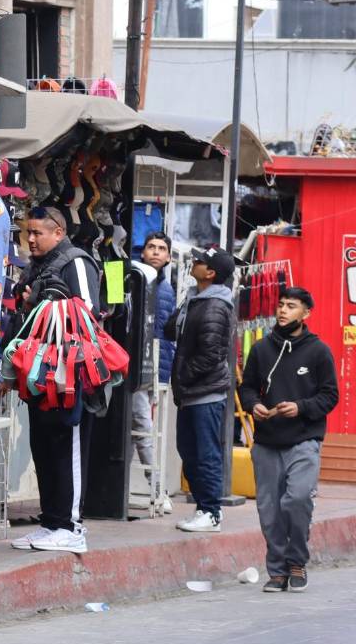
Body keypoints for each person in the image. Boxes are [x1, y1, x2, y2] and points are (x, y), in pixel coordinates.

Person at [8, 205, 101, 555]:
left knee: (67, 447)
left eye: (38, 233)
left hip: (70, 378)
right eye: (27, 232)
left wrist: (39, 300)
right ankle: (52, 522)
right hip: (41, 375)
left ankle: (72, 526)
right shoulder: (37, 264)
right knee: (44, 448)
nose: (30, 239)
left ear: (58, 232)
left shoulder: (75, 261)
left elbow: (88, 313)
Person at [238, 287, 338, 593]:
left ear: (305, 313)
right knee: (269, 510)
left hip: (304, 439)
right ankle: (278, 570)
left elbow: (330, 395)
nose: (282, 310)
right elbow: (248, 387)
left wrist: (301, 407)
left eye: (291, 306)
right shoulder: (261, 349)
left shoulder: (318, 351)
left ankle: (297, 562)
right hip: (267, 441)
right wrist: (254, 404)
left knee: (297, 499)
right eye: (281, 305)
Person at [164, 246, 236, 534]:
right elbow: (171, 331)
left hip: (204, 392)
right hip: (191, 392)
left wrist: (184, 375)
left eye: (200, 261)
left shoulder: (216, 306)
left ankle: (211, 511)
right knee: (189, 449)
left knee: (205, 453)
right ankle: (203, 508)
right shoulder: (196, 299)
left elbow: (211, 355)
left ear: (211, 273)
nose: (193, 263)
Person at [130, 231, 176, 515]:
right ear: (143, 251)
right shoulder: (136, 280)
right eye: (151, 247)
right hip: (133, 367)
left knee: (143, 428)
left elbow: (163, 339)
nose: (156, 252)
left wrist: (161, 378)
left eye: (161, 248)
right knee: (139, 429)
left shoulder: (166, 289)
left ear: (169, 256)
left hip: (151, 371)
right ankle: (157, 488)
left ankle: (158, 488)